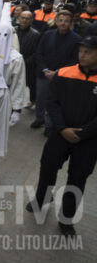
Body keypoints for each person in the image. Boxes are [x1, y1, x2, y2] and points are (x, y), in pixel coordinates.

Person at [27, 35, 97, 237]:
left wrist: (85, 133)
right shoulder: (65, 73)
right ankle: (41, 200)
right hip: (60, 133)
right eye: (81, 51)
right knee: (48, 167)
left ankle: (66, 219)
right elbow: (52, 102)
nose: (82, 55)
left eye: (88, 52)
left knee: (78, 177)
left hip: (88, 140)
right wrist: (62, 128)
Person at [32, 10, 81, 135]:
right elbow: (39, 53)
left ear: (71, 23)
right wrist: (44, 69)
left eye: (66, 21)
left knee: (55, 101)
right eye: (60, 20)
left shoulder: (76, 39)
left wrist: (58, 72)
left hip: (63, 76)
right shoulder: (47, 34)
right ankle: (39, 119)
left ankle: (50, 125)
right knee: (41, 98)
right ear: (56, 21)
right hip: (44, 73)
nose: (63, 23)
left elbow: (75, 60)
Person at [17, 10, 40, 104]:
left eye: (27, 18)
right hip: (14, 62)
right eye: (23, 18)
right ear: (19, 19)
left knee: (30, 83)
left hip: (28, 63)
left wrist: (26, 62)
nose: (24, 20)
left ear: (31, 20)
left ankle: (33, 100)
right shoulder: (13, 31)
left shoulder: (35, 34)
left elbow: (37, 51)